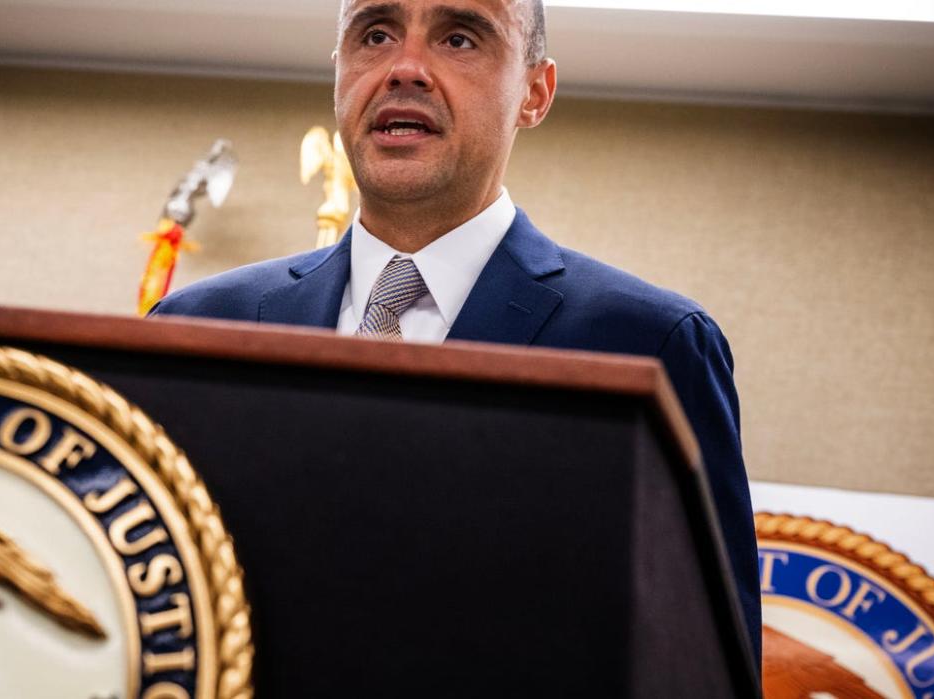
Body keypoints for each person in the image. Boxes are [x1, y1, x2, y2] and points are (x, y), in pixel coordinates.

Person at [150, 0, 761, 667]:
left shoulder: (651, 345)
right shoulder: (194, 333)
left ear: (535, 92)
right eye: (375, 34)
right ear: (338, 72)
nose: (405, 68)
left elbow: (703, 671)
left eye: (460, 37)